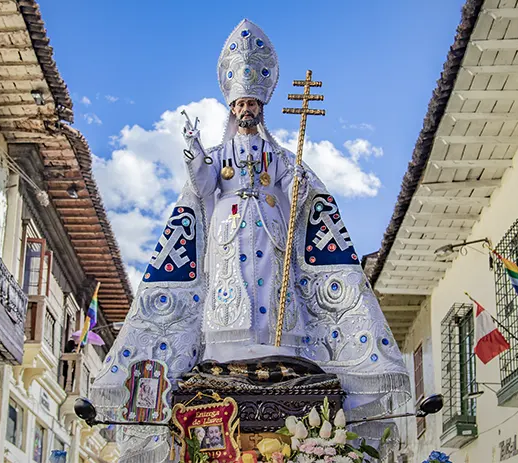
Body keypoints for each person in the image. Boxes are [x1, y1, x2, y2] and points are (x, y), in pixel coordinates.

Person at [91, 19, 408, 462]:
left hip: (270, 229)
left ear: (260, 108)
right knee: (232, 288)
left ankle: (276, 348)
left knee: (272, 283)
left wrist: (298, 183)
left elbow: (295, 192)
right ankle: (229, 348)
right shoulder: (220, 154)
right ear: (232, 107)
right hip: (227, 232)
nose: (246, 109)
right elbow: (203, 186)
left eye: (251, 103)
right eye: (240, 102)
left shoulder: (276, 153)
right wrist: (192, 149)